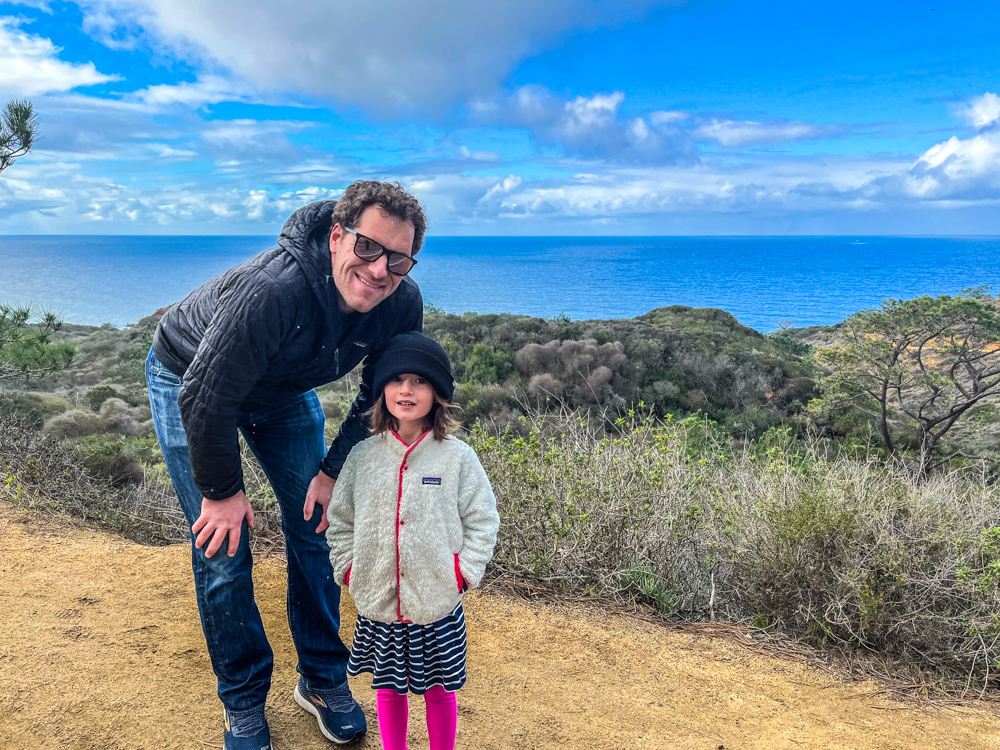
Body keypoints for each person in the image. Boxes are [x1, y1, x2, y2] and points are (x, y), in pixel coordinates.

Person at [146, 181, 427, 750]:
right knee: (223, 546)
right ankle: (243, 701)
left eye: (398, 258)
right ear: (336, 236)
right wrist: (223, 493)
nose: (379, 271)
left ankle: (322, 679)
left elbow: (382, 394)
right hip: (190, 380)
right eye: (368, 248)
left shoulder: (401, 302)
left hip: (280, 393)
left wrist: (331, 472)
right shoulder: (275, 290)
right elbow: (206, 396)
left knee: (316, 526)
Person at [325, 331, 500, 750]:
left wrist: (462, 573)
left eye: (419, 381)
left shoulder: (457, 457)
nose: (406, 390)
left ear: (437, 393)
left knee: (440, 690)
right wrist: (349, 568)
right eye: (396, 379)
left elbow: (483, 519)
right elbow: (340, 521)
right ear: (382, 389)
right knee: (388, 689)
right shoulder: (362, 456)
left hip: (437, 601)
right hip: (378, 600)